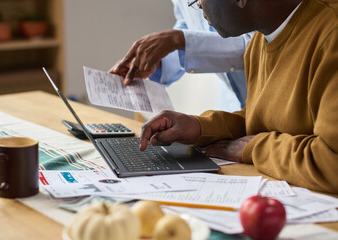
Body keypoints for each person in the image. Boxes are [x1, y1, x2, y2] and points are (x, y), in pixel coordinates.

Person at [139, 0, 338, 194]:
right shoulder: (261, 40)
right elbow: (265, 119)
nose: (198, 5)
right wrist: (200, 126)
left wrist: (254, 148)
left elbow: (332, 163)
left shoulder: (331, 33)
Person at [110, 0, 253, 111]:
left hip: (266, 97)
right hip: (230, 104)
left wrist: (178, 40)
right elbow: (189, 25)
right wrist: (159, 60)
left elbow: (258, 44)